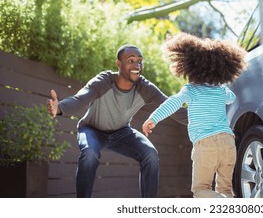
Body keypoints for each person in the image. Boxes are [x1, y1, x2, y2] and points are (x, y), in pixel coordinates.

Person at [46, 44, 188, 198]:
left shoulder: (145, 88)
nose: (137, 65)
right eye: (131, 61)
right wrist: (59, 108)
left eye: (140, 61)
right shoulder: (104, 81)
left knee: (150, 155)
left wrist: (204, 119)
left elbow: (171, 106)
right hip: (92, 129)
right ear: (118, 64)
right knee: (89, 154)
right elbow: (80, 99)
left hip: (121, 132)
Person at [142, 32, 247, 198]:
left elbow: (173, 103)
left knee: (200, 190)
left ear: (189, 67)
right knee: (225, 190)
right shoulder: (220, 90)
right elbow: (231, 98)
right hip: (228, 142)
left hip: (206, 144)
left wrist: (154, 118)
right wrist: (221, 86)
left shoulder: (190, 90)